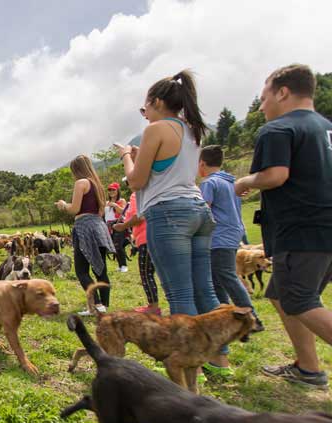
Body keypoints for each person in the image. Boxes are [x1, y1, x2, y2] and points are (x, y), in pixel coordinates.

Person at [116, 70, 227, 371]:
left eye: (146, 107)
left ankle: (191, 367)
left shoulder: (155, 129)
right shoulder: (192, 130)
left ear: (157, 102)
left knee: (179, 293)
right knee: (204, 288)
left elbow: (136, 180)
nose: (145, 114)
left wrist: (128, 155)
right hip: (198, 209)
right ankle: (220, 358)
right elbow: (173, 169)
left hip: (169, 213)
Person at [235, 64, 332, 388]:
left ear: (283, 92)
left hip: (304, 230)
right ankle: (308, 368)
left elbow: (276, 175)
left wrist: (244, 182)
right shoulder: (326, 129)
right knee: (279, 293)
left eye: (263, 98)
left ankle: (310, 369)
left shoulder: (278, 129)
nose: (261, 106)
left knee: (300, 299)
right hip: (324, 230)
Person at [198, 145, 265, 332]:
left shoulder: (209, 183)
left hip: (219, 236)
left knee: (226, 276)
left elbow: (204, 210)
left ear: (202, 163)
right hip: (233, 234)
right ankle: (226, 318)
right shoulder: (231, 182)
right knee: (218, 277)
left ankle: (253, 319)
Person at [56, 154, 115, 314]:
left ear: (76, 170)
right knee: (100, 269)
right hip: (98, 227)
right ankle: (103, 305)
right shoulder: (98, 186)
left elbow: (75, 209)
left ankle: (95, 305)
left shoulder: (81, 183)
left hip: (84, 228)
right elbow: (101, 211)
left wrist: (63, 205)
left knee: (82, 271)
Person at [114, 186, 160, 315]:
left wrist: (123, 226)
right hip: (161, 235)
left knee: (146, 273)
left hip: (146, 238)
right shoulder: (155, 190)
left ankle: (153, 306)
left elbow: (138, 216)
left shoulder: (137, 195)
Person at [105, 182, 129, 272]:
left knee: (118, 245)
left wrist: (115, 205)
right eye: (109, 190)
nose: (111, 191)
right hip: (109, 226)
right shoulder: (106, 203)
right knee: (115, 246)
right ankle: (120, 265)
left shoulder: (121, 201)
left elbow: (124, 212)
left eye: (113, 189)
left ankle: (124, 265)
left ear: (117, 190)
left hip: (118, 223)